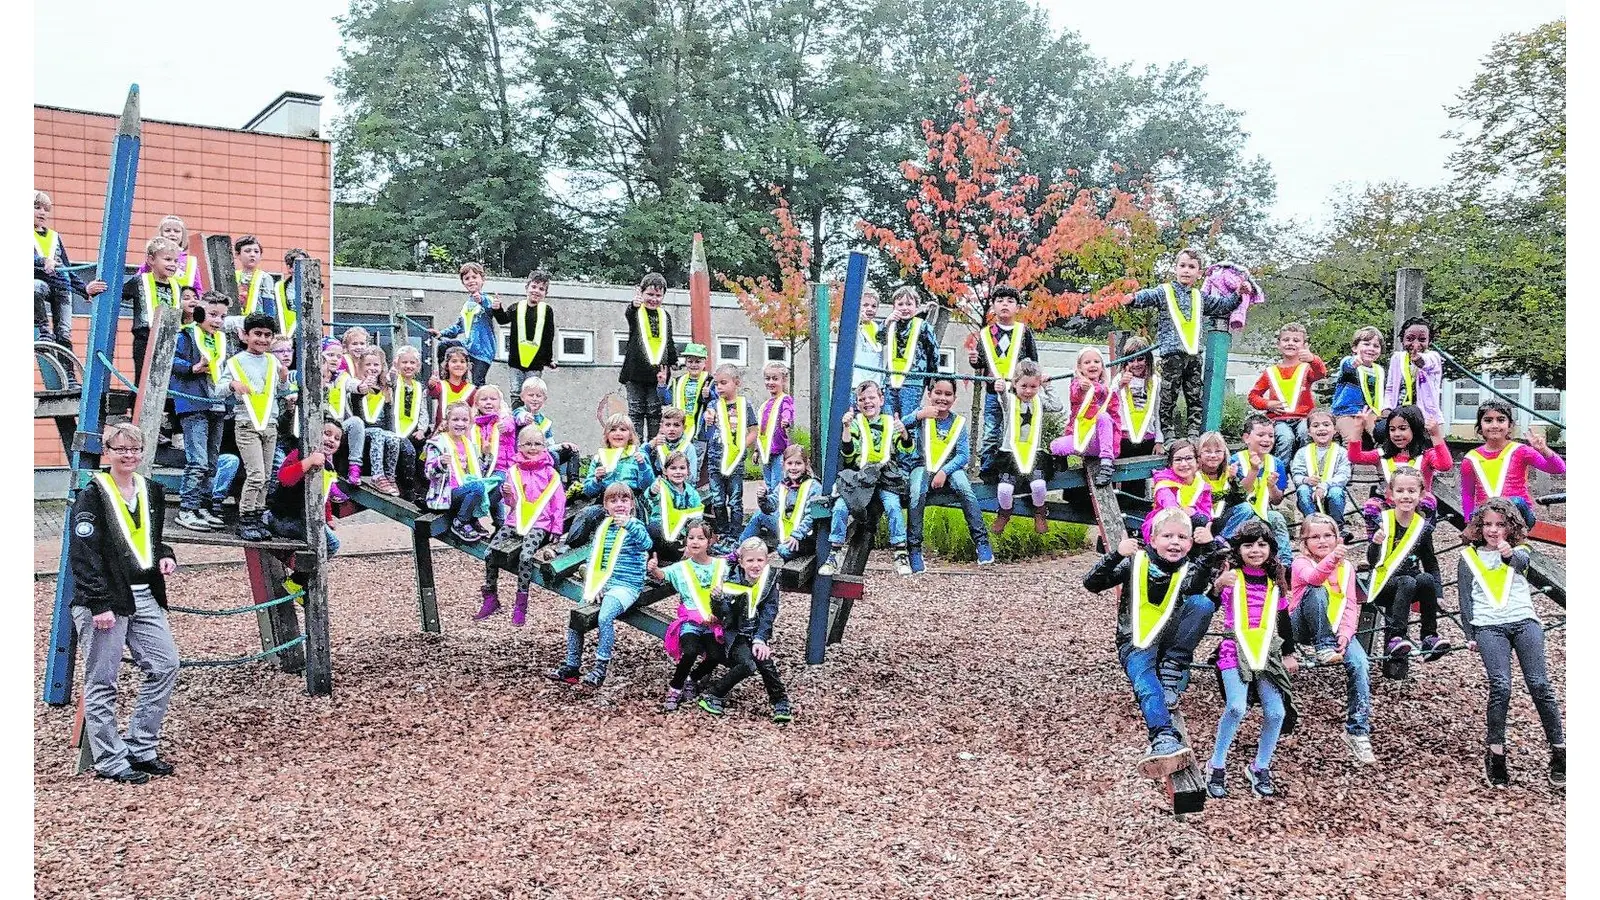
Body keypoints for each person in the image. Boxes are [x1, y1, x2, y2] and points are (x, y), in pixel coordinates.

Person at [69, 422, 180, 784]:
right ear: (108, 453)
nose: (128, 455)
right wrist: (98, 604)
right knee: (103, 681)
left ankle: (141, 746)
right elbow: (84, 555)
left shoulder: (151, 490)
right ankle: (110, 759)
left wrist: (165, 554)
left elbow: (151, 537)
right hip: (106, 600)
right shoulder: (92, 495)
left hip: (144, 593)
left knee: (165, 665)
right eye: (120, 449)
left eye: (134, 449)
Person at [1081, 508, 1226, 779]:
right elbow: (1092, 583)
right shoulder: (1135, 562)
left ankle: (1175, 665)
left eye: (1182, 537)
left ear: (1190, 543)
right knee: (1146, 685)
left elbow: (1196, 588)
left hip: (1169, 640)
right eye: (1167, 536)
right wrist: (1115, 555)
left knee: (1202, 603)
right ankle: (1163, 737)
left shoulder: (1190, 567)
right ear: (1153, 539)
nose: (1175, 542)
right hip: (1135, 641)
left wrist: (1210, 547)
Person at [1458, 498, 1565, 788]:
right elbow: (1465, 599)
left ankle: (1559, 752)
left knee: (1539, 684)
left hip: (1523, 621)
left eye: (1500, 524)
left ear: (1511, 527)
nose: (1494, 530)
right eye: (1488, 524)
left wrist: (1508, 553)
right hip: (1488, 626)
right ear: (1479, 527)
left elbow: (1520, 563)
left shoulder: (1520, 550)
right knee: (1501, 686)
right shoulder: (1468, 557)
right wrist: (1469, 635)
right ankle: (1496, 753)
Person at [1205, 519, 1295, 800]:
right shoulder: (1232, 575)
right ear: (1239, 549)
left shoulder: (1275, 580)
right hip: (1235, 648)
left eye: (1261, 545)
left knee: (1277, 712)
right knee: (1235, 707)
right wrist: (1219, 584)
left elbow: (1283, 618)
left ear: (1270, 548)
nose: (1255, 550)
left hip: (1267, 651)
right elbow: (1210, 603)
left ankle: (1260, 766)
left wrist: (1289, 653)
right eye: (1248, 545)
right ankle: (1216, 764)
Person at [1124, 247, 1248, 440]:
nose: (1186, 270)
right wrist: (1133, 298)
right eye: (1182, 266)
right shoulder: (1165, 291)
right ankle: (1168, 435)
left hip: (1193, 356)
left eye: (1191, 267)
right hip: (1172, 355)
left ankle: (1193, 433)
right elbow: (1148, 296)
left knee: (1194, 396)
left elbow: (1221, 306)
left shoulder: (1200, 297)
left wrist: (1238, 294)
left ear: (1199, 273)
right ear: (1175, 268)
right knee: (1168, 397)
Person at [547, 483, 654, 689]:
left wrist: (629, 525)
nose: (619, 505)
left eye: (624, 500)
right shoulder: (604, 527)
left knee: (605, 616)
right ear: (606, 505)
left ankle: (600, 667)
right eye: (613, 501)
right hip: (604, 583)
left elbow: (646, 544)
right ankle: (571, 666)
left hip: (626, 584)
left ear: (632, 504)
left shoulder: (635, 525)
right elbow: (595, 557)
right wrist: (595, 584)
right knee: (576, 616)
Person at [1288, 513, 1374, 764]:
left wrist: (1346, 635)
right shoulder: (1300, 562)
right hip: (1302, 626)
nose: (1322, 540)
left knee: (1359, 664)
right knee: (1315, 591)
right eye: (1315, 536)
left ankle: (1358, 731)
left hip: (1336, 628)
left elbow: (1349, 604)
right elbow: (1315, 578)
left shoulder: (1346, 568)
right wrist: (1333, 558)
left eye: (1328, 536)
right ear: (1304, 542)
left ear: (1337, 538)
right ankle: (1323, 646)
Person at [818, 380, 914, 577]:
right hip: (862, 477)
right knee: (840, 507)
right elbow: (849, 454)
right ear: (857, 403)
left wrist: (904, 432)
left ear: (881, 400)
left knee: (893, 506)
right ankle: (834, 552)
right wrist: (845, 428)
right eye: (862, 400)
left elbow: (907, 448)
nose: (867, 402)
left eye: (872, 398)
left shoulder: (889, 422)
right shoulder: (855, 423)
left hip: (886, 476)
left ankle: (900, 551)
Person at [477, 425, 566, 626]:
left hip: (540, 524)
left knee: (526, 557)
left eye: (537, 444)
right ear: (519, 447)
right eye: (527, 444)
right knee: (489, 552)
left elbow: (558, 502)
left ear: (544, 447)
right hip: (515, 521)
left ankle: (521, 603)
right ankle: (491, 596)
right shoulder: (513, 471)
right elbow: (512, 504)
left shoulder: (551, 473)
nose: (532, 448)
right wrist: (507, 494)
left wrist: (556, 527)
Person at [697, 538, 794, 723]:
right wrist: (716, 601)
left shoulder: (770, 580)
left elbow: (769, 612)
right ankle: (714, 694)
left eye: (760, 560)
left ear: (766, 560)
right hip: (734, 635)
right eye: (750, 560)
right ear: (741, 562)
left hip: (755, 633)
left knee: (765, 661)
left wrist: (760, 639)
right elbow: (723, 614)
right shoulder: (730, 578)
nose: (755, 565)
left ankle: (780, 702)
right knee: (748, 665)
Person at [906, 376, 994, 571]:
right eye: (938, 393)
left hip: (950, 468)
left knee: (965, 489)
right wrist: (920, 415)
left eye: (948, 394)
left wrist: (944, 471)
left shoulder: (957, 422)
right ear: (929, 395)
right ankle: (913, 548)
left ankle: (982, 542)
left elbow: (963, 455)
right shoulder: (923, 415)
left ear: (954, 398)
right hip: (923, 465)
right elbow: (902, 424)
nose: (942, 398)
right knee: (915, 493)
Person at [1363, 466, 1444, 674]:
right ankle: (1395, 638)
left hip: (1410, 582)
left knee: (1425, 579)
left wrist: (1439, 593)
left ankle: (1429, 636)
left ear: (1421, 494)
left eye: (1411, 491)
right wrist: (1375, 543)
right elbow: (1373, 561)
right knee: (1407, 581)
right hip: (1384, 583)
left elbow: (1430, 562)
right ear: (1391, 494)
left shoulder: (1422, 527)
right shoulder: (1385, 521)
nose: (1406, 496)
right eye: (1400, 491)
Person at [225, 313, 288, 541]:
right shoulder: (235, 361)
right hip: (246, 422)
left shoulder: (273, 361)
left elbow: (280, 391)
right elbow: (218, 389)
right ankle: (245, 517)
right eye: (257, 334)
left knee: (268, 475)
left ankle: (259, 515)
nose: (262, 339)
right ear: (246, 336)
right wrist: (232, 384)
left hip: (269, 423)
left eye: (267, 335)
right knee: (256, 474)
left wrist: (283, 379)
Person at [171, 292, 231, 531]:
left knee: (212, 462)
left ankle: (202, 506)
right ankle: (187, 508)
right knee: (197, 460)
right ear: (199, 313)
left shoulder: (222, 340)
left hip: (217, 403)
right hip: (194, 401)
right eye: (213, 314)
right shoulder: (185, 336)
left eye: (222, 316)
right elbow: (171, 361)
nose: (217, 320)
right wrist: (192, 367)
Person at [266, 416, 345, 596]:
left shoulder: (329, 466)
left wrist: (329, 518)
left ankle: (300, 582)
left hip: (303, 519)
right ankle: (296, 581)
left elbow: (322, 496)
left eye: (337, 438)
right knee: (331, 544)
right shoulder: (301, 453)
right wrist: (308, 462)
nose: (331, 440)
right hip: (284, 517)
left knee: (324, 540)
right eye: (327, 434)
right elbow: (284, 478)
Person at [654, 518, 727, 711]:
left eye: (701, 538)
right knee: (690, 651)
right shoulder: (681, 567)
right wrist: (654, 569)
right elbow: (664, 574)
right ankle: (675, 689)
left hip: (713, 622)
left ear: (710, 541)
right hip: (691, 622)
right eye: (691, 537)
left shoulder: (721, 566)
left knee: (716, 655)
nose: (695, 542)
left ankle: (692, 679)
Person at [1459, 399, 1566, 528]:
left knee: (1515, 502)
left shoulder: (1521, 451)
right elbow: (1468, 494)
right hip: (1488, 517)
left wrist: (1543, 450)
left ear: (1510, 425)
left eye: (1501, 420)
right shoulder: (1471, 459)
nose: (1494, 425)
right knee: (1476, 514)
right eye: (1488, 420)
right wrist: (1468, 524)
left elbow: (1559, 468)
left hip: (1519, 515)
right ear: (1480, 426)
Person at [968, 285, 1039, 472]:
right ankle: (987, 469)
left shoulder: (1024, 332)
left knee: (1015, 429)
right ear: (993, 307)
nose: (1004, 305)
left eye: (1010, 301)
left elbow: (1033, 360)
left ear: (1017, 307)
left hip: (1018, 394)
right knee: (991, 430)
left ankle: (1013, 468)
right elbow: (982, 362)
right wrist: (975, 361)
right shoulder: (985, 334)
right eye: (1000, 301)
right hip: (993, 391)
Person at [35, 190, 107, 373]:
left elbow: (66, 268)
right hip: (40, 283)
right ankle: (44, 330)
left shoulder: (54, 236)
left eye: (45, 209)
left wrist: (84, 289)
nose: (42, 213)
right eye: (36, 208)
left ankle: (70, 375)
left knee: (64, 333)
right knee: (35, 288)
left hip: (61, 287)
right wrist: (42, 261)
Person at [1246, 322, 1326, 471]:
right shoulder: (1270, 372)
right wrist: (1267, 404)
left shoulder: (1307, 368)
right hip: (1278, 420)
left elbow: (1321, 372)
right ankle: (1279, 473)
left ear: (1304, 345)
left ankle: (1306, 469)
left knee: (1305, 433)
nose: (1290, 343)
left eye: (1296, 341)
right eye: (1286, 340)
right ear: (1278, 344)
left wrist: (1313, 358)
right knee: (1285, 438)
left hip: (1303, 418)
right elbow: (1253, 396)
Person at [1217, 416, 1294, 567]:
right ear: (1246, 438)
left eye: (1271, 436)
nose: (1267, 439)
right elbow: (1239, 495)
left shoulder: (1276, 463)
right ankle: (1223, 543)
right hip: (1237, 513)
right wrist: (1253, 471)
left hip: (1262, 513)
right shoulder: (1235, 461)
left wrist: (1272, 487)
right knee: (1246, 508)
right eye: (1260, 435)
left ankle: (1285, 564)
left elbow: (1277, 500)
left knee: (1277, 517)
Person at [112, 237, 183, 385]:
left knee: (167, 379)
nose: (172, 264)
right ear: (151, 260)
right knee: (143, 378)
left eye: (176, 261)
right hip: (145, 337)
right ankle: (136, 406)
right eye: (168, 259)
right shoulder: (139, 281)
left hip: (169, 339)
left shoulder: (177, 286)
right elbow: (117, 295)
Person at [990, 360, 1050, 535]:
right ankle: (1005, 512)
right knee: (1005, 489)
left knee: (1038, 485)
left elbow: (1057, 406)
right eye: (1024, 386)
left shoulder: (1039, 401)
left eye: (1033, 386)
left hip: (1033, 454)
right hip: (1010, 454)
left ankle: (1039, 512)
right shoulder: (1010, 401)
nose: (1028, 391)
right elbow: (1002, 398)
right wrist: (1001, 389)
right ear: (1015, 384)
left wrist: (1048, 386)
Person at [701, 363, 758, 545]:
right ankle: (722, 533)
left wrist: (742, 447)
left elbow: (754, 431)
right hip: (715, 459)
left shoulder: (744, 405)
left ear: (736, 383)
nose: (719, 387)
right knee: (717, 500)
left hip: (735, 461)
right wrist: (708, 418)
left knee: (735, 500)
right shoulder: (713, 404)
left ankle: (735, 535)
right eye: (717, 384)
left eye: (723, 383)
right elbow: (708, 416)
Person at [619, 272, 678, 441]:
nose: (654, 299)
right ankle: (635, 447)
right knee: (636, 412)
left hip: (657, 375)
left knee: (655, 413)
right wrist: (634, 304)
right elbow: (629, 313)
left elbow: (669, 340)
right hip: (635, 372)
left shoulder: (665, 316)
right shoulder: (636, 311)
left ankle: (654, 448)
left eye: (658, 295)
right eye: (650, 294)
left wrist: (673, 360)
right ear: (642, 293)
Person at [1048, 347, 1119, 488]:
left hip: (1101, 442)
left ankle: (1106, 465)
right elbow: (1075, 394)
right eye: (1087, 362)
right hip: (1083, 439)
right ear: (1080, 368)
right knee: (1055, 446)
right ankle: (1061, 463)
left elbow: (1115, 417)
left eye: (1096, 361)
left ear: (1102, 367)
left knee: (1104, 417)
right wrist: (1082, 387)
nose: (1092, 365)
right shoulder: (1077, 385)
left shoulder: (1108, 391)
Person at [424, 402, 495, 542]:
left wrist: (486, 456)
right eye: (455, 419)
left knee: (496, 484)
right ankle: (461, 521)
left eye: (464, 420)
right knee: (477, 487)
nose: (460, 423)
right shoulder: (438, 443)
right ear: (447, 421)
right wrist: (440, 463)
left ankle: (473, 518)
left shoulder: (469, 444)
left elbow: (479, 474)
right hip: (446, 493)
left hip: (465, 489)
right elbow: (429, 473)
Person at [740, 445, 818, 562]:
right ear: (784, 465)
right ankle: (739, 550)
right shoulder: (784, 485)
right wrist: (763, 498)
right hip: (786, 531)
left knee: (783, 550)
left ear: (806, 465)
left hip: (805, 537)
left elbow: (811, 517)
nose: (794, 467)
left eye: (798, 463)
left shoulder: (813, 486)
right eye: (790, 463)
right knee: (759, 515)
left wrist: (797, 535)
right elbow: (769, 508)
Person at [430, 262, 498, 386]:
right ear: (463, 282)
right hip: (468, 346)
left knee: (478, 382)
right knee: (443, 346)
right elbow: (458, 326)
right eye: (467, 278)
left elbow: (490, 307)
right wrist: (441, 333)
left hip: (482, 351)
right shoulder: (467, 305)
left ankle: (480, 403)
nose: (471, 281)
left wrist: (481, 300)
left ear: (482, 279)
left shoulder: (487, 299)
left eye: (474, 277)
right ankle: (445, 379)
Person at [880, 286, 940, 424]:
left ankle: (910, 445)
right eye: (900, 304)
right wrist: (887, 322)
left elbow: (934, 352)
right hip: (891, 381)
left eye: (909, 304)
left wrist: (932, 379)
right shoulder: (891, 325)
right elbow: (878, 339)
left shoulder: (923, 326)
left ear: (916, 306)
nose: (904, 308)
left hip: (913, 381)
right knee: (888, 420)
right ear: (893, 307)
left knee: (909, 420)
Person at [494, 269, 557, 395]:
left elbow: (549, 336)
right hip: (515, 360)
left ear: (546, 293)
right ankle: (517, 415)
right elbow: (502, 320)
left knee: (532, 393)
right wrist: (497, 309)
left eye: (541, 289)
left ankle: (529, 415)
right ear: (527, 288)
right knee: (516, 392)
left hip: (536, 362)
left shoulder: (547, 311)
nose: (536, 291)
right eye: (533, 287)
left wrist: (548, 359)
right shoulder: (516, 307)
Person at [1290, 409, 1352, 533]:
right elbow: (1296, 474)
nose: (1321, 428)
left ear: (1335, 430)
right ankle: (1312, 526)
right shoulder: (1302, 453)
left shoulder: (1342, 452)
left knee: (1336, 492)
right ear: (1309, 432)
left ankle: (1338, 528)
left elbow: (1344, 475)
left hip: (1331, 488)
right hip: (1310, 491)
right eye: (1315, 425)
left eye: (1326, 424)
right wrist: (1305, 480)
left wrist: (1325, 485)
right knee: (1302, 490)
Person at [1140, 440, 1212, 544]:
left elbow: (1207, 512)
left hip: (1191, 523)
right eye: (1178, 460)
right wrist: (1183, 511)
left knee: (1202, 521)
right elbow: (1169, 504)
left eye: (1189, 458)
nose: (1184, 464)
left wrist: (1194, 512)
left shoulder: (1202, 485)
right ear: (1170, 464)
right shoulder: (1164, 482)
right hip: (1165, 521)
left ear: (1197, 462)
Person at [352, 347, 402, 496]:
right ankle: (377, 475)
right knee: (378, 433)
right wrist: (363, 388)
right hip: (363, 431)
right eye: (368, 365)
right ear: (360, 366)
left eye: (376, 365)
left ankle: (390, 475)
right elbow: (356, 410)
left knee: (393, 437)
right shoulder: (356, 385)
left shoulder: (385, 389)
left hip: (381, 430)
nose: (372, 368)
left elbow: (388, 416)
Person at [513, 374, 580, 485]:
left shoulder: (545, 422)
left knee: (571, 451)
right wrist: (526, 418)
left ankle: (574, 484)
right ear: (522, 397)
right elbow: (519, 417)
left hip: (543, 452)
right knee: (553, 456)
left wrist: (562, 445)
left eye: (538, 396)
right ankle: (557, 485)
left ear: (544, 399)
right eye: (531, 395)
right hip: (526, 453)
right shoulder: (519, 412)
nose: (534, 399)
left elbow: (549, 445)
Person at [1383, 316, 1443, 430]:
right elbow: (1390, 388)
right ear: (1402, 340)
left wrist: (1418, 360)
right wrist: (1386, 409)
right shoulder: (1397, 358)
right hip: (1399, 415)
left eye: (1422, 339)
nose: (1415, 344)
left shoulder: (1434, 357)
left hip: (1426, 418)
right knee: (1380, 431)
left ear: (1429, 341)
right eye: (1410, 339)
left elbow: (1427, 363)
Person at [470, 385, 516, 531]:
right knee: (486, 489)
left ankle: (475, 515)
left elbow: (510, 425)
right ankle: (499, 523)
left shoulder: (504, 420)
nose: (488, 402)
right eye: (484, 399)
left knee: (497, 488)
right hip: (484, 468)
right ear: (477, 404)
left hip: (503, 467)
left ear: (500, 402)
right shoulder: (476, 425)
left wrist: (505, 426)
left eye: (492, 399)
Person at [645, 450, 705, 563]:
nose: (678, 472)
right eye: (673, 468)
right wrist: (653, 491)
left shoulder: (692, 493)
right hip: (661, 532)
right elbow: (650, 497)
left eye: (682, 468)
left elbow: (697, 520)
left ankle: (682, 558)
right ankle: (654, 560)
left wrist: (690, 541)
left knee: (702, 534)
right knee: (652, 529)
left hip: (681, 535)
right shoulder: (661, 486)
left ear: (688, 471)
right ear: (665, 471)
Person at [1330, 326, 1385, 447]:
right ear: (1355, 348)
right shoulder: (1349, 362)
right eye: (1366, 344)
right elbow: (1347, 366)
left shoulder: (1378, 370)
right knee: (1351, 439)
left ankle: (1383, 462)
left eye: (1376, 346)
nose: (1371, 348)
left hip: (1370, 411)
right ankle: (1349, 465)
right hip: (1346, 411)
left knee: (1381, 435)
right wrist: (1353, 362)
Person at [391, 345, 431, 504]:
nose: (408, 366)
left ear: (418, 366)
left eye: (412, 363)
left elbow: (423, 410)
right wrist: (391, 374)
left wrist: (422, 429)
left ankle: (424, 489)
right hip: (396, 429)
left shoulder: (419, 387)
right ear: (397, 364)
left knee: (424, 454)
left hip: (413, 429)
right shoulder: (394, 382)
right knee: (407, 452)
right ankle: (407, 489)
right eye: (404, 362)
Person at [1114, 336, 1162, 459]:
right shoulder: (1119, 378)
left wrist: (1159, 440)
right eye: (1131, 360)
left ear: (1148, 360)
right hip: (1123, 439)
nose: (1136, 364)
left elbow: (1158, 412)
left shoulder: (1155, 381)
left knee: (1142, 477)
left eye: (1140, 359)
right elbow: (1107, 402)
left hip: (1148, 439)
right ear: (1125, 361)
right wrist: (1120, 385)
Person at [670, 343, 713, 481]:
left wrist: (709, 395)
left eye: (698, 361)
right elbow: (667, 398)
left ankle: (691, 489)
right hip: (681, 430)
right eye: (690, 361)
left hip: (700, 431)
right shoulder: (679, 381)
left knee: (695, 462)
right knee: (678, 461)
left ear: (704, 362)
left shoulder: (710, 381)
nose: (693, 365)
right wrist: (661, 385)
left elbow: (717, 401)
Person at [756, 361, 796, 494]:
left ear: (783, 380)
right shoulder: (765, 405)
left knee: (777, 482)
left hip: (779, 449)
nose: (770, 382)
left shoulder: (785, 399)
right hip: (766, 450)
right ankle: (770, 508)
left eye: (775, 379)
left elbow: (787, 411)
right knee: (768, 482)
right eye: (767, 379)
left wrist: (786, 420)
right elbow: (761, 429)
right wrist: (757, 450)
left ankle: (778, 508)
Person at [137, 215, 204, 293]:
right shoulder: (154, 257)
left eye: (177, 231)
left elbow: (197, 290)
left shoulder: (191, 262)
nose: (172, 234)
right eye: (167, 231)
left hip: (181, 302)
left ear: (183, 235)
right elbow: (139, 279)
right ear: (161, 234)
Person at [232, 235, 282, 334]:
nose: (252, 254)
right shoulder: (233, 275)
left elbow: (269, 304)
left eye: (256, 251)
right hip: (236, 323)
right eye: (247, 251)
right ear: (238, 255)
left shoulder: (265, 277)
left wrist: (268, 327)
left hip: (257, 325)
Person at [428, 346, 478, 432]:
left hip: (462, 434)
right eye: (454, 361)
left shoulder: (472, 390)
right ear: (447, 365)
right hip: (441, 434)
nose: (458, 364)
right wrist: (431, 384)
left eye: (462, 362)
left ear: (467, 366)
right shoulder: (441, 385)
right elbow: (432, 393)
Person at [648, 406, 699, 484]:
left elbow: (692, 477)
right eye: (668, 425)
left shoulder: (688, 448)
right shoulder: (659, 445)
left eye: (676, 425)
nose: (672, 429)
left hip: (684, 489)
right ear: (662, 427)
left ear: (684, 428)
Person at [849, 287, 883, 393]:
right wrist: (858, 319)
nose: (870, 309)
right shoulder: (854, 326)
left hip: (875, 383)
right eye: (865, 305)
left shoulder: (878, 328)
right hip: (856, 383)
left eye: (874, 306)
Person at [1194, 431, 1232, 523]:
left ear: (1224, 453)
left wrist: (1234, 480)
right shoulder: (1194, 475)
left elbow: (1239, 498)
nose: (1213, 455)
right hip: (1202, 517)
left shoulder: (1229, 473)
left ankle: (1224, 536)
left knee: (1245, 509)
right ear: (1199, 454)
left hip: (1223, 517)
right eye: (1207, 451)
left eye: (1218, 451)